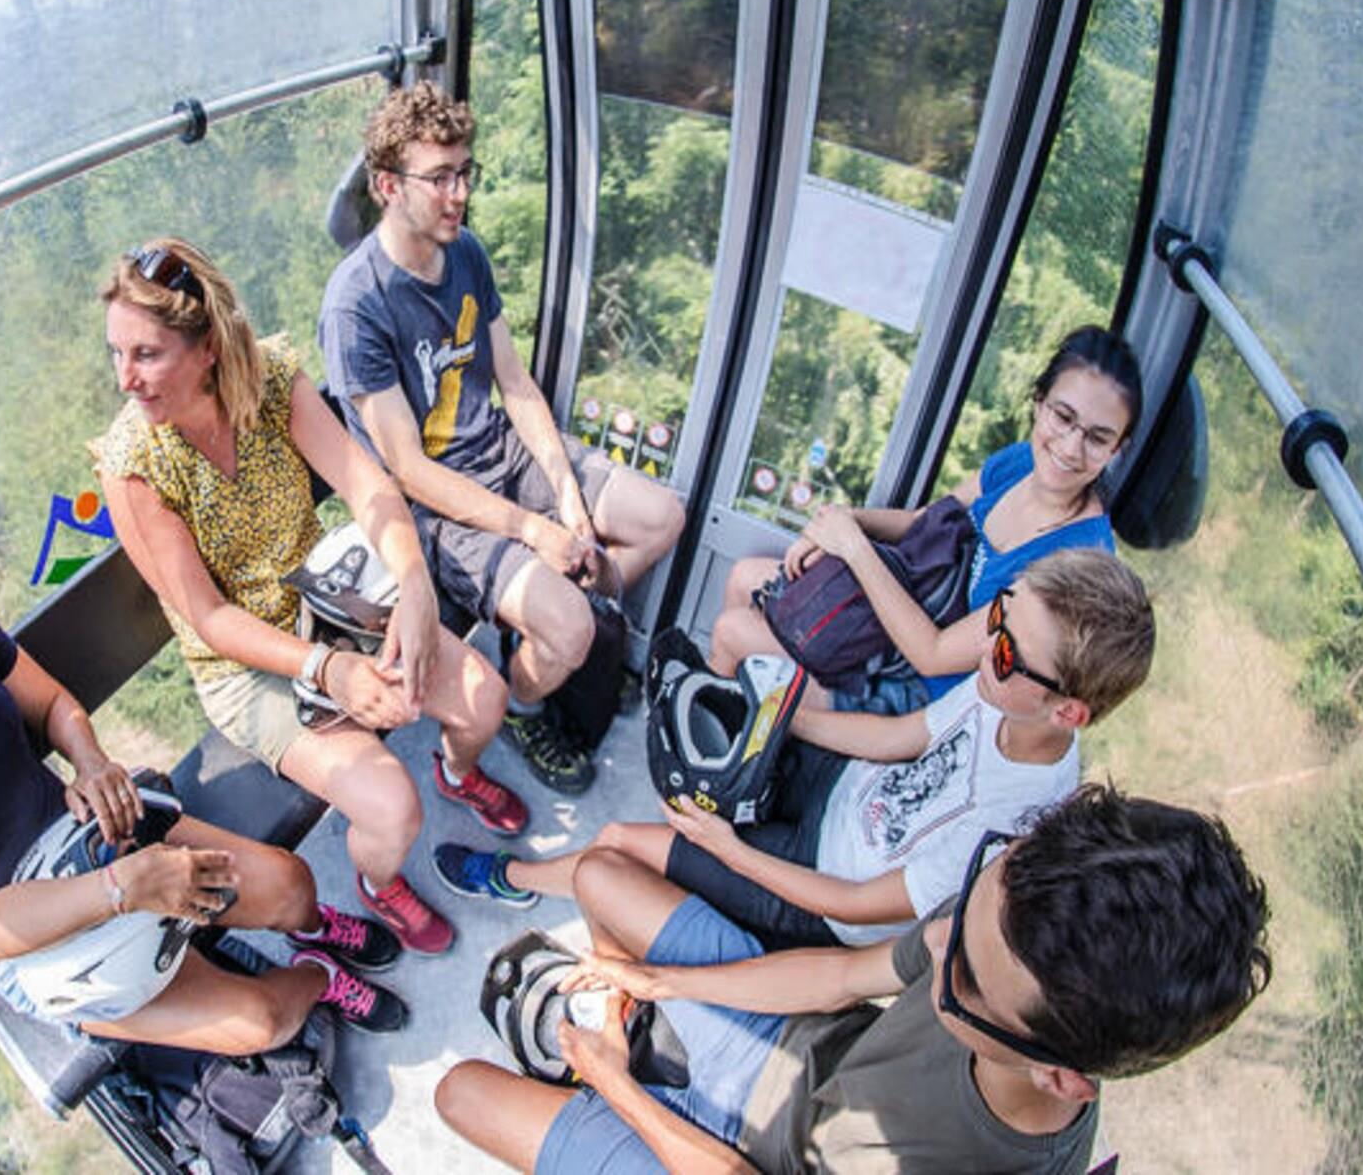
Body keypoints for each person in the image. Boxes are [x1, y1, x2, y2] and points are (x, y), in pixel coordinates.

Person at [0, 462, 407, 1045]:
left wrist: (89, 761)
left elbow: (51, 705)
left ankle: (308, 932)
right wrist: (125, 889)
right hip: (30, 933)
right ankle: (315, 978)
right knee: (260, 1022)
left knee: (290, 887)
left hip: (84, 835)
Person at [435, 783, 1272, 1173]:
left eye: (961, 977)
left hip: (753, 1163)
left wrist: (616, 1084)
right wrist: (661, 980)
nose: (937, 946)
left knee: (461, 1093)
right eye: (965, 910)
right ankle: (628, 1042)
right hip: (793, 1051)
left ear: (1060, 1075)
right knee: (599, 874)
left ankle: (611, 1070)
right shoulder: (1008, 921)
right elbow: (841, 975)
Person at [94, 237, 525, 957]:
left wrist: (414, 585)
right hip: (244, 663)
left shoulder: (268, 381)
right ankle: (379, 882)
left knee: (484, 700)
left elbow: (364, 483)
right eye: (117, 353)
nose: (125, 379)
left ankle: (457, 770)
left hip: (324, 598)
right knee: (392, 808)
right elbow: (209, 617)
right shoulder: (134, 464)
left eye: (146, 354)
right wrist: (331, 670)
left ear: (207, 349)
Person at [434, 550, 1153, 955]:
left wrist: (731, 850)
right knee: (696, 753)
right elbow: (900, 738)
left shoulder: (1012, 822)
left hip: (825, 892)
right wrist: (775, 721)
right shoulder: (1007, 686)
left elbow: (860, 906)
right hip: (847, 792)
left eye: (1007, 647)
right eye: (999, 612)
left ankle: (512, 876)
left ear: (1068, 710)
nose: (986, 642)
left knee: (622, 842)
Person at [318, 80, 686, 793]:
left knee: (660, 517)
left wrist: (567, 495)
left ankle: (552, 635)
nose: (459, 195)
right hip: (439, 508)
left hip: (500, 450)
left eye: (465, 173)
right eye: (439, 178)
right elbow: (409, 469)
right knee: (572, 630)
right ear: (388, 186)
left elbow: (513, 382)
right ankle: (526, 701)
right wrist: (533, 530)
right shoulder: (357, 305)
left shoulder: (465, 253)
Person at [708, 326, 1143, 711]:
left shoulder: (1078, 563)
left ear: (1117, 449)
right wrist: (841, 522)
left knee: (732, 633)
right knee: (743, 577)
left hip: (919, 688)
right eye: (1063, 417)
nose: (1070, 447)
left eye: (1097, 438)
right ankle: (745, 724)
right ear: (1039, 402)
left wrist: (854, 547)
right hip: (897, 614)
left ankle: (726, 739)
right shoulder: (1021, 463)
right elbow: (924, 520)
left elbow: (934, 656)